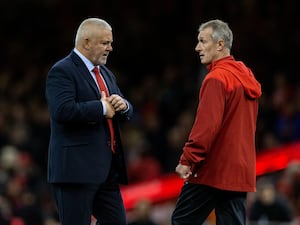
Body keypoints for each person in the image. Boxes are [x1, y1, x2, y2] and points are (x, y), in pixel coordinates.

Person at [171, 19, 262, 225]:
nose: (197, 47)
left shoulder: (216, 78)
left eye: (202, 41)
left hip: (214, 170)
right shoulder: (246, 76)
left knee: (181, 221)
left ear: (220, 44)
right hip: (240, 171)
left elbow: (207, 127)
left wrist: (188, 159)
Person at [45, 18, 133, 225]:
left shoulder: (105, 73)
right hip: (75, 171)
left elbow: (122, 106)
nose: (110, 48)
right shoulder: (62, 71)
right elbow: (62, 110)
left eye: (110, 43)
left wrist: (124, 105)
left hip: (106, 171)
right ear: (86, 42)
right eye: (105, 43)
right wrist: (102, 108)